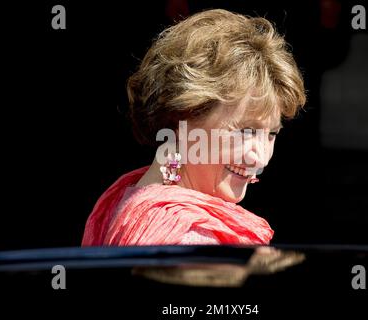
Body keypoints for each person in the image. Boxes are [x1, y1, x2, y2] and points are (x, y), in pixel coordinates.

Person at [82, 9, 306, 246]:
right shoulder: (189, 239)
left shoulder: (124, 195)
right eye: (245, 131)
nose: (260, 158)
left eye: (271, 134)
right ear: (182, 118)